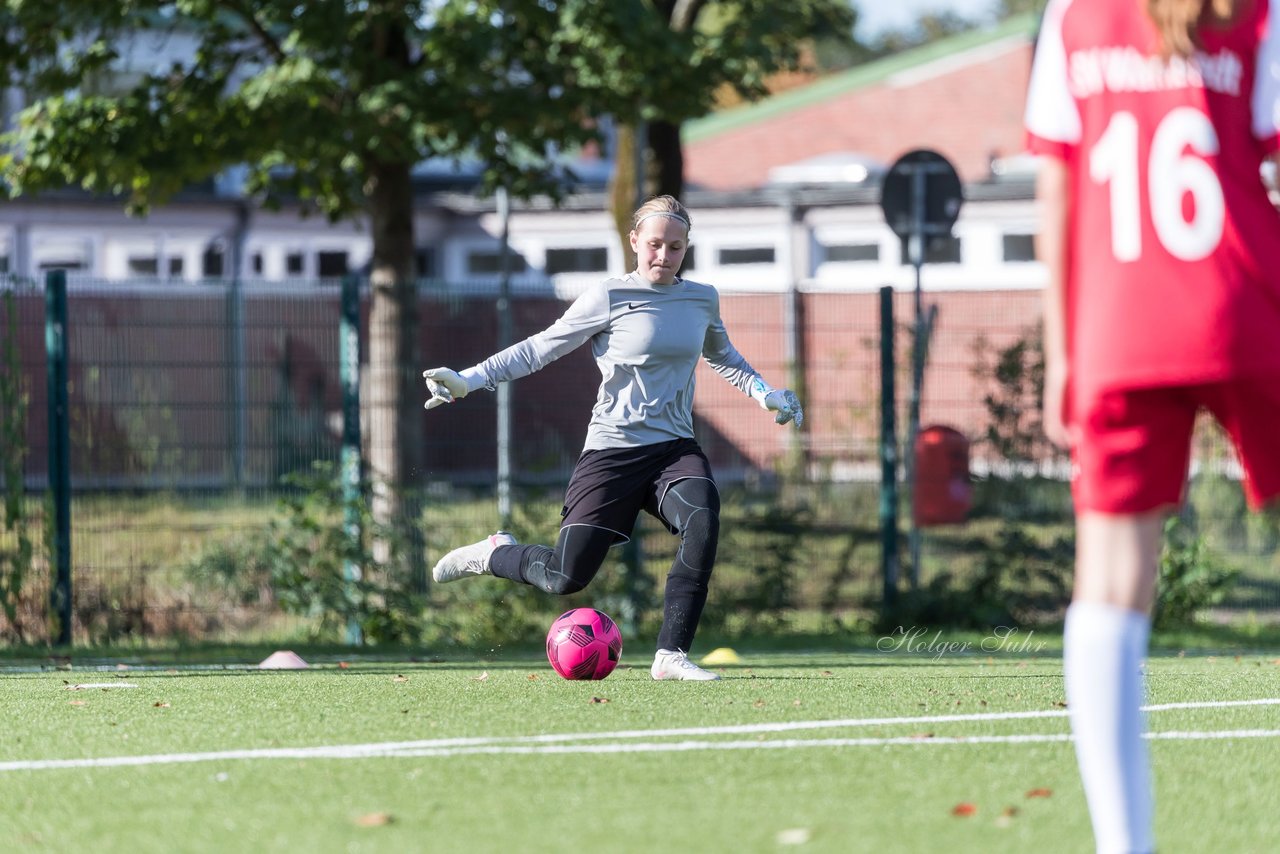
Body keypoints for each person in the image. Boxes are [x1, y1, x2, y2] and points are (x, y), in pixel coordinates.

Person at [1025, 0, 1280, 850]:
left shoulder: (1073, 17)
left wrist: (1066, 351)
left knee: (1110, 580)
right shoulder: (1253, 14)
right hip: (1244, 300)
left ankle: (1122, 845)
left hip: (1118, 323)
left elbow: (1056, 190)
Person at [421, 195, 804, 681]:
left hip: (673, 450)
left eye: (675, 246)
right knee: (566, 577)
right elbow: (541, 348)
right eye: (654, 245)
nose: (663, 255)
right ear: (633, 243)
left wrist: (765, 393)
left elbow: (723, 356)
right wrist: (468, 380)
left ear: (687, 248)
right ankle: (495, 551)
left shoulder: (702, 297)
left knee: (703, 520)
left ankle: (670, 656)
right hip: (612, 452)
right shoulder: (608, 296)